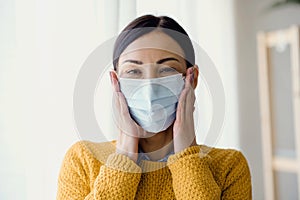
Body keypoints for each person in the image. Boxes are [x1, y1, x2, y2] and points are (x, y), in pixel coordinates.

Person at [57, 15, 252, 199]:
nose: (150, 86)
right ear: (115, 82)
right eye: (133, 71)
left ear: (192, 79)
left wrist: (187, 156)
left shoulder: (229, 166)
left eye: (167, 69)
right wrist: (125, 156)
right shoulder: (83, 160)